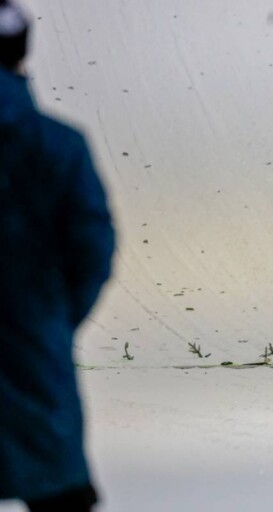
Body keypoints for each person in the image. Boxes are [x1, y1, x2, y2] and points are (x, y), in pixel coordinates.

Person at [0, 1, 115, 510]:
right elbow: (93, 249)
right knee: (58, 490)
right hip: (35, 358)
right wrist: (53, 318)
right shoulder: (59, 146)